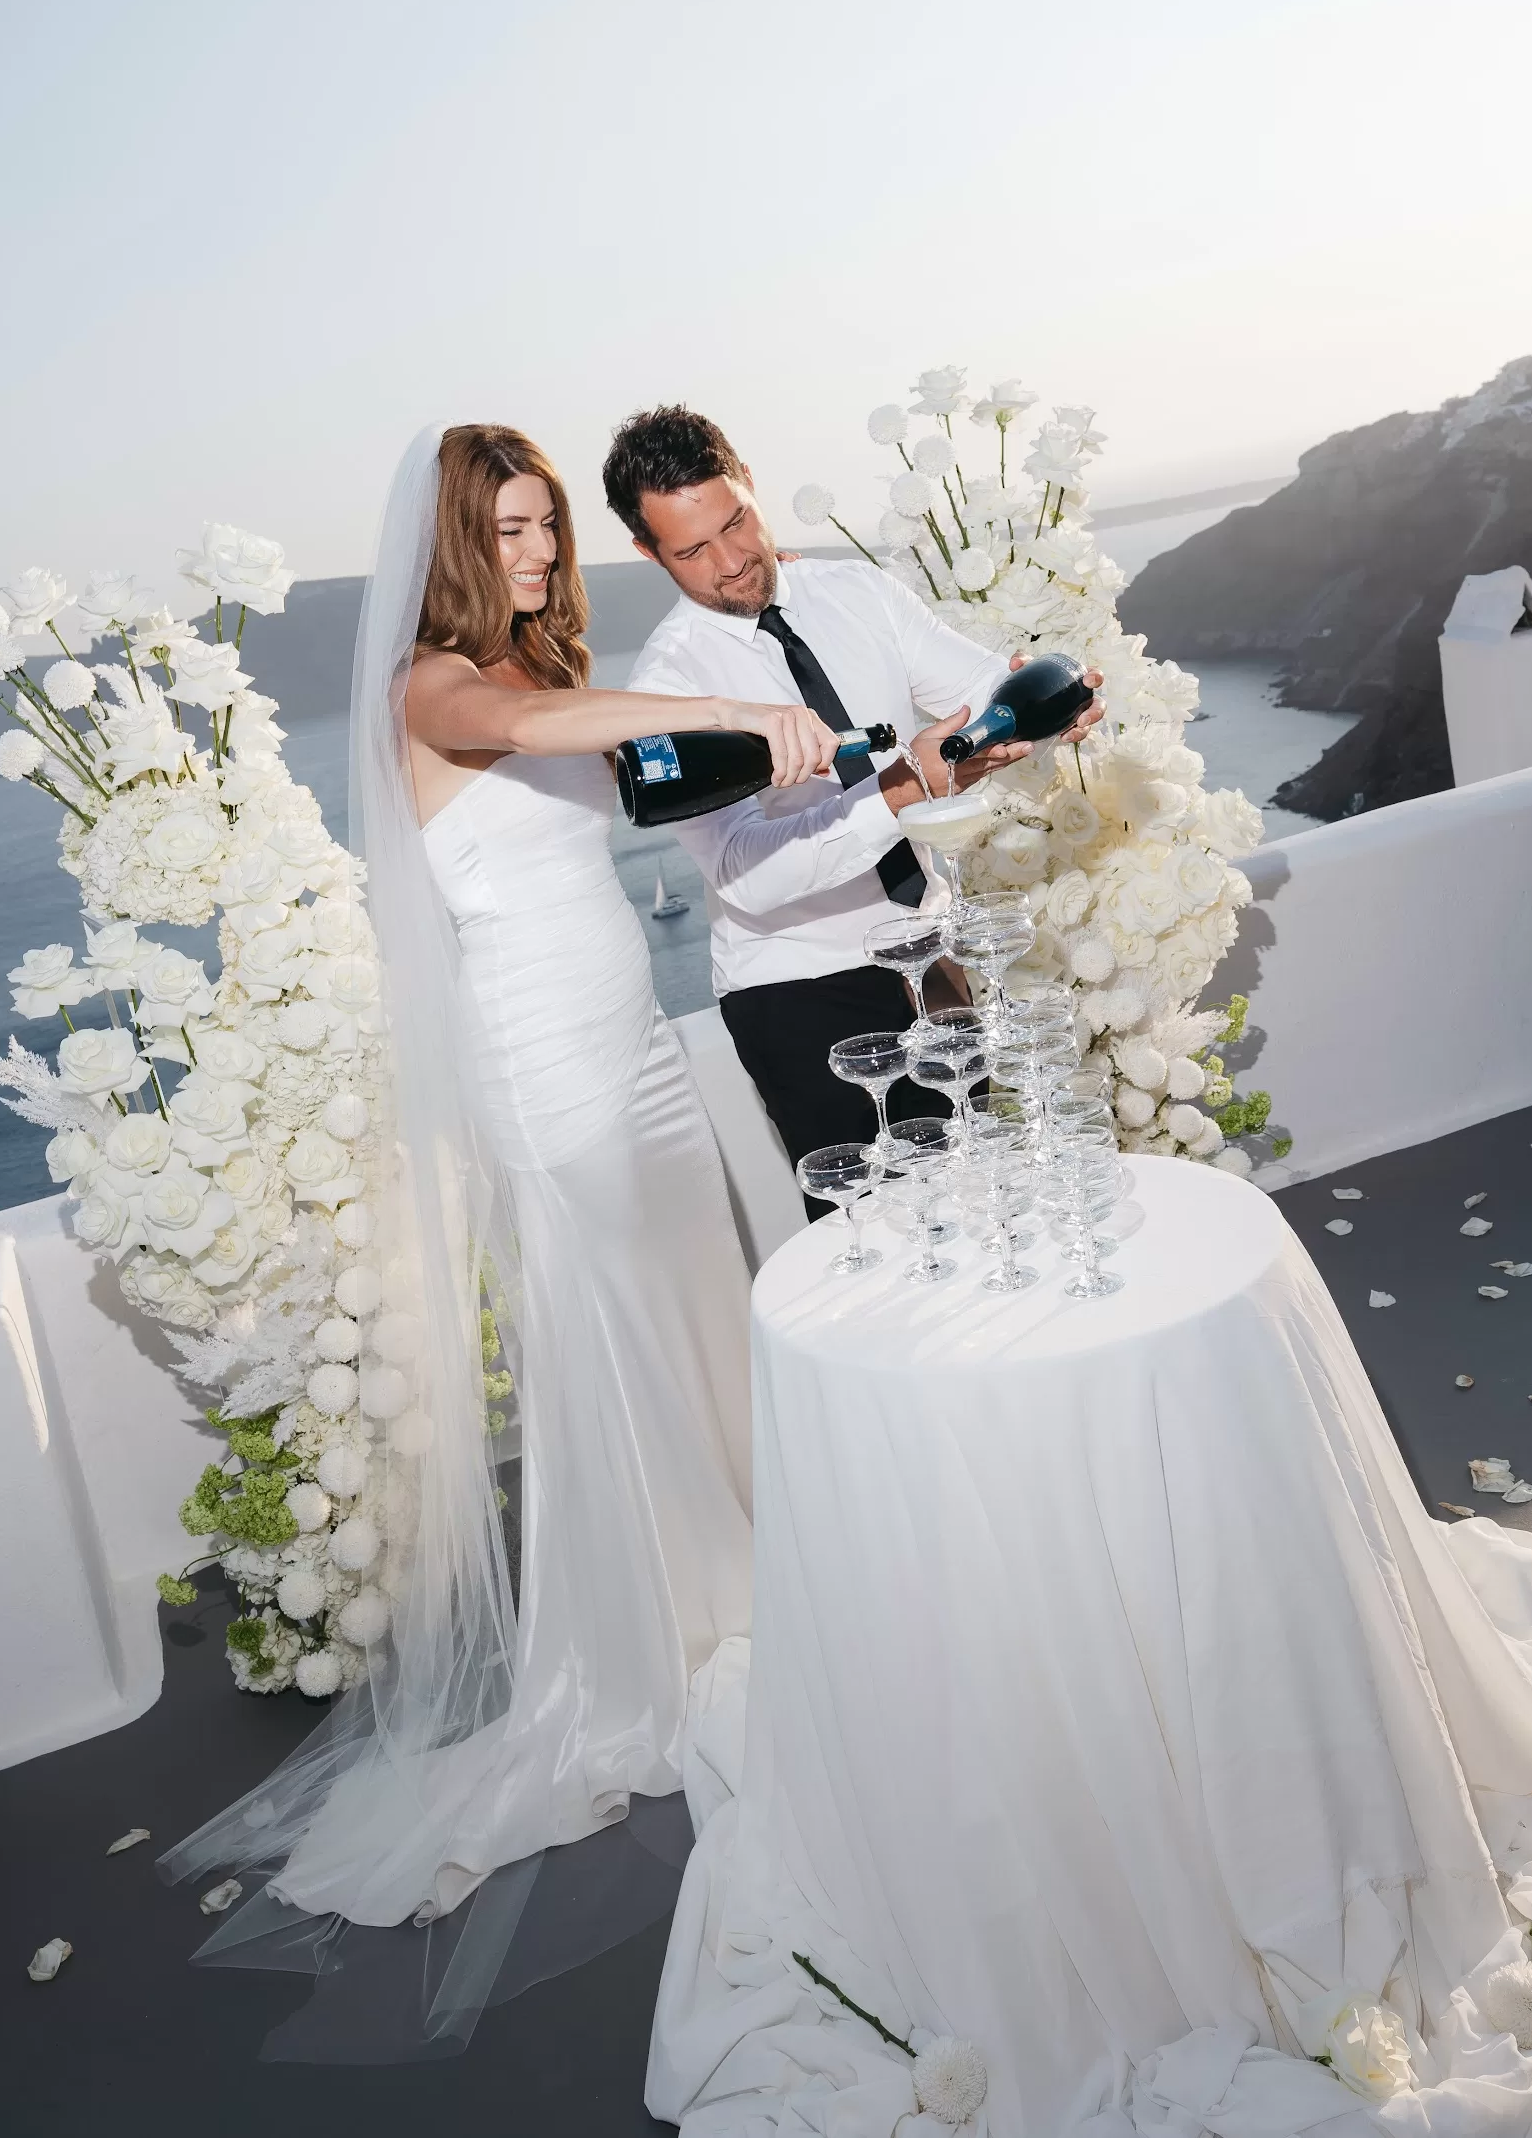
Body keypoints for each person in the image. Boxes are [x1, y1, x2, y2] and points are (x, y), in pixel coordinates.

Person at [162, 422, 842, 1984]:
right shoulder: (432, 686)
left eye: (546, 527)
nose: (538, 553)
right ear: (455, 540)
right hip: (546, 1070)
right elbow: (587, 723)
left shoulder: (527, 679)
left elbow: (628, 770)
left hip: (632, 1038)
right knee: (619, 1340)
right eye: (513, 530)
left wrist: (793, 753)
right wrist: (741, 705)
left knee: (697, 1305)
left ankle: (760, 1566)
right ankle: (665, 1637)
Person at [605, 403, 1103, 1177]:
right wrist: (901, 790)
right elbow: (749, 873)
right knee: (876, 1233)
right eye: (692, 551)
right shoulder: (669, 688)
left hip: (930, 955)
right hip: (801, 991)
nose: (731, 561)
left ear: (750, 486)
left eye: (737, 523)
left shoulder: (857, 593)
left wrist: (1042, 710)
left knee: (986, 1183)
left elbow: (975, 690)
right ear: (648, 552)